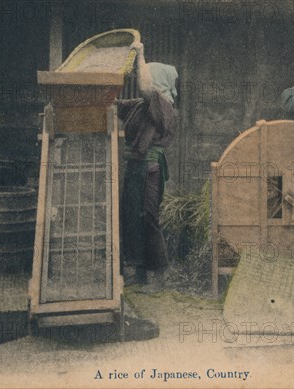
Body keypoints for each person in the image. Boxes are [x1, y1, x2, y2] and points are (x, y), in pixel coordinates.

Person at [116, 41, 178, 293]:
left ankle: (160, 277)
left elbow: (144, 87)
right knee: (132, 217)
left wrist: (140, 54)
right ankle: (139, 273)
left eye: (149, 75)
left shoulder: (163, 105)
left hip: (149, 167)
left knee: (148, 216)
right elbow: (117, 104)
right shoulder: (142, 106)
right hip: (135, 167)